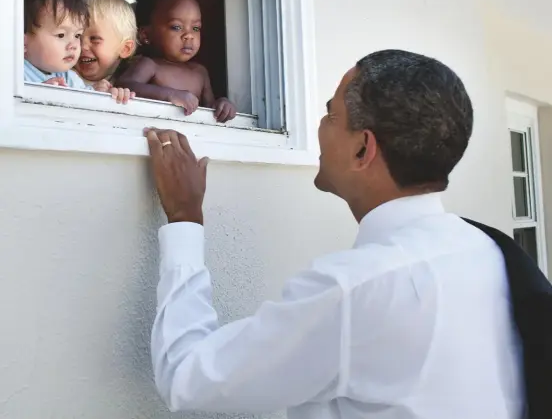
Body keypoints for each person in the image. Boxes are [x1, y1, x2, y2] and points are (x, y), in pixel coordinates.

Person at [145, 50, 524, 418]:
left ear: (363, 149)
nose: (320, 126)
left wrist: (184, 218)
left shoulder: (353, 290)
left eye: (331, 114)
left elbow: (186, 376)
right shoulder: (488, 250)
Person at [116, 0, 236, 122]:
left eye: (195, 28)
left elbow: (209, 108)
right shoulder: (150, 65)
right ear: (146, 34)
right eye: (176, 27)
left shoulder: (200, 72)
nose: (189, 35)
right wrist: (169, 95)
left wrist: (223, 104)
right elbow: (124, 85)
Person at [24, 0, 133, 104]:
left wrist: (105, 96)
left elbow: (88, 108)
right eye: (61, 35)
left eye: (77, 35)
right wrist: (35, 94)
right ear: (23, 42)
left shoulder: (69, 78)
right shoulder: (13, 73)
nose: (74, 46)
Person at [76, 0, 137, 98]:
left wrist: (120, 97)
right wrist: (90, 92)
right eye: (77, 36)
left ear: (125, 49)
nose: (82, 46)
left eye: (94, 39)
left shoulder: (127, 81)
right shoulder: (62, 77)